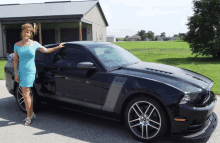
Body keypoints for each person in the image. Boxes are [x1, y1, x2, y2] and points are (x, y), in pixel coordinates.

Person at [13, 23, 65, 125]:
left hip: (30, 71)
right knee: (27, 94)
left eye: (28, 32)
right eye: (25, 31)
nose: (26, 33)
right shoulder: (17, 45)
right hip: (21, 71)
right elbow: (15, 60)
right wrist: (15, 73)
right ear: (22, 32)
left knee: (26, 94)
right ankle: (31, 114)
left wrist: (57, 47)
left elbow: (46, 50)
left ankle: (29, 116)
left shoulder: (35, 44)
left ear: (30, 33)